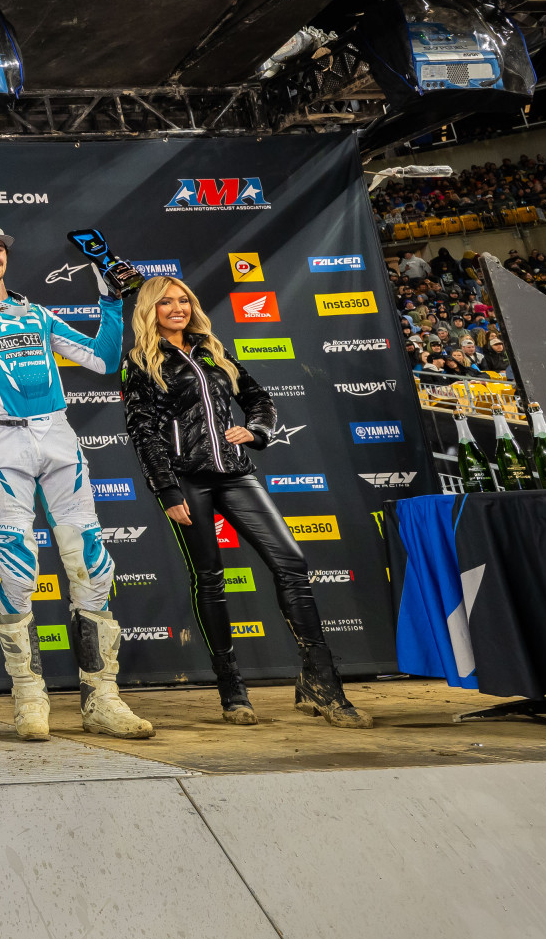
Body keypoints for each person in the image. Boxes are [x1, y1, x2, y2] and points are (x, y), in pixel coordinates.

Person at [0, 222, 154, 741]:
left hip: (58, 433)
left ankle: (102, 698)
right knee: (19, 567)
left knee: (90, 561)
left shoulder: (38, 314)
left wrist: (111, 302)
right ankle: (28, 697)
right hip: (2, 439)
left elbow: (103, 359)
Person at [120, 276, 370, 729]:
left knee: (291, 563)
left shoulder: (214, 350)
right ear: (150, 310)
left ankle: (321, 682)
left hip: (236, 473)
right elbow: (142, 430)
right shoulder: (140, 361)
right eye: (166, 302)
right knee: (210, 579)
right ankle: (232, 688)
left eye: (183, 300)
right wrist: (167, 489)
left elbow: (259, 399)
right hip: (186, 479)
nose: (177, 308)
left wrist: (256, 431)